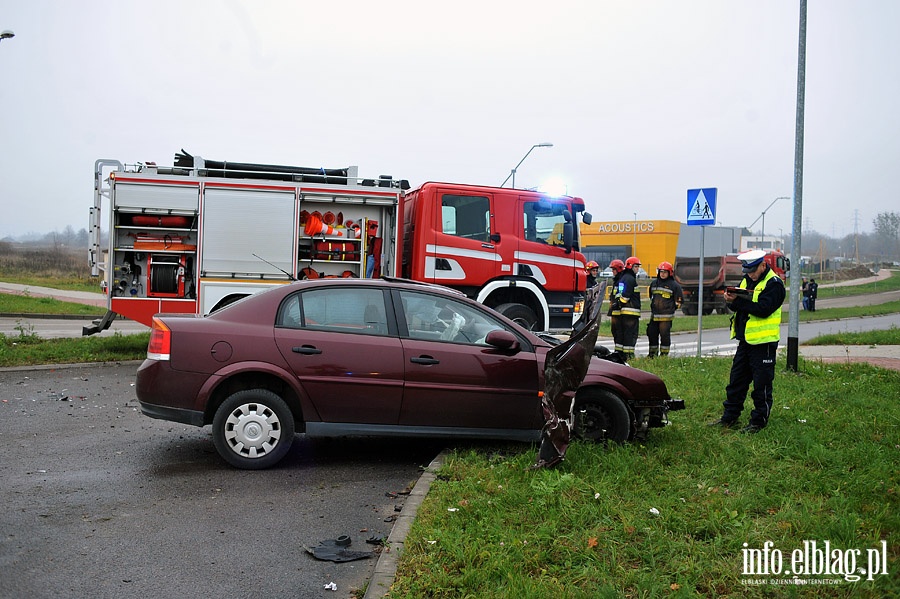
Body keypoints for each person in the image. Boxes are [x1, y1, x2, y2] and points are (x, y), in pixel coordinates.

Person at [709, 249, 785, 434]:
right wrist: (730, 301)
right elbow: (739, 306)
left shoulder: (774, 284)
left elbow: (763, 309)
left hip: (764, 344)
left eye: (752, 270)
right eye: (747, 271)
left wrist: (739, 302)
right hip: (745, 341)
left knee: (762, 386)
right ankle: (729, 417)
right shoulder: (747, 280)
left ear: (763, 265)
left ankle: (758, 422)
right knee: (736, 382)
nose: (749, 274)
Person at [646, 261, 683, 357]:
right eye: (661, 272)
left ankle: (664, 355)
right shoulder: (654, 283)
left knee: (664, 336)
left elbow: (679, 301)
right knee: (652, 334)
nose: (662, 274)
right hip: (654, 316)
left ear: (669, 273)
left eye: (665, 272)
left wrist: (672, 308)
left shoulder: (674, 285)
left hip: (666, 317)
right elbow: (651, 296)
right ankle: (652, 354)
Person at [615, 256, 642, 359]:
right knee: (630, 335)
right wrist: (622, 302)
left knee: (623, 334)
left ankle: (620, 354)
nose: (637, 269)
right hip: (631, 313)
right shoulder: (630, 279)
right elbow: (625, 296)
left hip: (624, 313)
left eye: (638, 267)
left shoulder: (623, 278)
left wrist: (619, 303)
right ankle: (629, 355)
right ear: (630, 266)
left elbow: (620, 293)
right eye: (636, 266)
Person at [606, 259, 626, 353]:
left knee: (618, 332)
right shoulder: (616, 281)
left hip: (618, 311)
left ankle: (619, 352)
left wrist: (616, 304)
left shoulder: (621, 281)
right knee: (614, 331)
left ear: (619, 269)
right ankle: (617, 351)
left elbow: (621, 293)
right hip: (614, 311)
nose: (612, 271)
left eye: (614, 269)